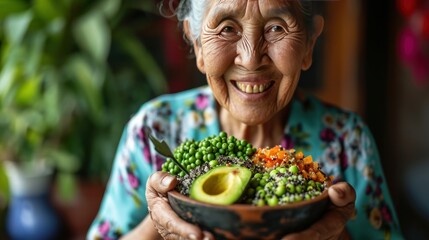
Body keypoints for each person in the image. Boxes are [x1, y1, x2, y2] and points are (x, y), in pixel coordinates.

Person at [87, 0, 403, 239]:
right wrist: (160, 222)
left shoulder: (346, 140)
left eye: (277, 27)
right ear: (196, 43)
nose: (251, 58)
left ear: (309, 43)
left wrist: (335, 234)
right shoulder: (154, 131)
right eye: (226, 28)